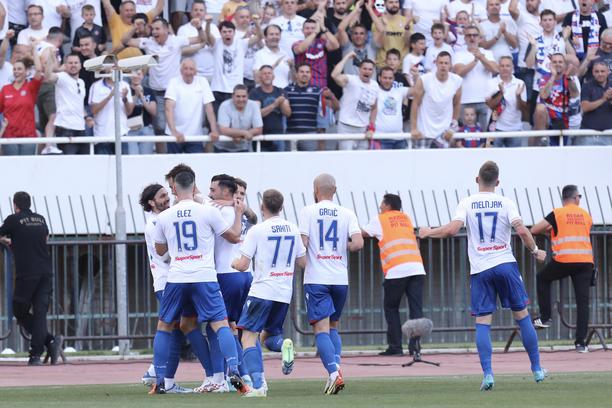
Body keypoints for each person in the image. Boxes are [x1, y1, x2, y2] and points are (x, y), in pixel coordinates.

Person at [419, 160, 547, 391]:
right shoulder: (506, 202)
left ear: (477, 179)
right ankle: (537, 368)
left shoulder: (467, 202)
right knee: (523, 316)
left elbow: (451, 230)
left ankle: (488, 374)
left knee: (483, 323)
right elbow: (521, 230)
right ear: (498, 182)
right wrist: (535, 251)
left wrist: (428, 232)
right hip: (506, 265)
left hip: (481, 270)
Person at [151, 170, 249, 394]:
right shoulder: (208, 211)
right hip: (204, 275)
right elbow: (234, 236)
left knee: (165, 326)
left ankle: (159, 379)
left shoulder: (165, 216)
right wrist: (237, 213)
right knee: (220, 324)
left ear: (174, 188)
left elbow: (160, 250)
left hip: (177, 277)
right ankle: (232, 369)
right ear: (194, 186)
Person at [233, 189, 307, 397]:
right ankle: (284, 345)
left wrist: (233, 262)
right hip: (284, 293)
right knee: (268, 337)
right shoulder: (293, 229)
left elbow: (242, 264)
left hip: (262, 290)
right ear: (281, 207)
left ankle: (258, 386)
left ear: (262, 206)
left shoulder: (257, 230)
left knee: (247, 338)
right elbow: (302, 262)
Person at [298, 173, 364, 395]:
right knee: (334, 326)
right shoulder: (347, 213)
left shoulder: (308, 211)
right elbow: (357, 244)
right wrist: (337, 248)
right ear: (334, 190)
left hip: (317, 278)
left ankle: (334, 374)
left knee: (321, 329)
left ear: (315, 189)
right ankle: (336, 372)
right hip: (339, 278)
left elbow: (303, 243)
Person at [138, 184, 197, 393]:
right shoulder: (154, 223)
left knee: (178, 328)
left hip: (172, 280)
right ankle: (160, 377)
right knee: (173, 328)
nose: (167, 198)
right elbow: (163, 255)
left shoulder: (164, 218)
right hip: (166, 281)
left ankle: (158, 375)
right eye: (162, 196)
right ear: (151, 203)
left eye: (166, 194)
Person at [122, 16, 209, 151]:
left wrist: (198, 27)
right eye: (152, 29)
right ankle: (163, 158)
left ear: (166, 29)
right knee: (160, 128)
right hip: (156, 92)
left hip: (175, 92)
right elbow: (125, 41)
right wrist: (135, 27)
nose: (154, 32)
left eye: (157, 28)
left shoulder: (176, 41)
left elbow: (202, 39)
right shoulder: (148, 42)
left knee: (177, 124)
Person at [531, 185, 594, 353]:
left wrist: (550, 233)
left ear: (564, 198)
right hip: (586, 262)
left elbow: (534, 230)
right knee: (583, 303)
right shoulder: (586, 215)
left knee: (542, 278)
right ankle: (581, 343)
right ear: (575, 198)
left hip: (564, 260)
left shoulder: (557, 213)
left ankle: (545, 318)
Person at [0, 192, 60, 366]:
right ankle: (38, 353)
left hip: (27, 273)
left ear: (15, 204)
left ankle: (47, 340)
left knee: (19, 309)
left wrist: (7, 241)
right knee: (40, 313)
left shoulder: (14, 219)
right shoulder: (40, 219)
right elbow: (44, 237)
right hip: (46, 271)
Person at [362, 194, 425, 356]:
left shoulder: (381, 219)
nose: (380, 207)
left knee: (391, 308)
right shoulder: (406, 218)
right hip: (417, 268)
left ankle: (396, 347)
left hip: (397, 270)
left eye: (382, 204)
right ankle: (415, 347)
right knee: (416, 310)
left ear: (388, 205)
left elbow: (363, 233)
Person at [165, 59, 218, 154]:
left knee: (197, 166)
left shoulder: (202, 81)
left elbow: (209, 108)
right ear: (181, 71)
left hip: (195, 135)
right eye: (185, 69)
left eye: (191, 69)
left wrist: (214, 130)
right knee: (173, 167)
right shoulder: (173, 82)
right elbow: (169, 108)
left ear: (196, 71)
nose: (188, 72)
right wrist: (174, 132)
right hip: (174, 135)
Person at [411, 51, 463, 148]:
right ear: (436, 63)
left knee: (443, 163)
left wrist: (452, 128)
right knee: (421, 162)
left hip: (444, 133)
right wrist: (414, 128)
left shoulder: (457, 81)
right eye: (441, 63)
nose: (443, 66)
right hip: (424, 131)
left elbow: (456, 104)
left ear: (450, 65)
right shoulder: (424, 79)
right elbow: (415, 103)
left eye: (446, 63)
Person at [208, 20, 263, 111]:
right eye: (224, 32)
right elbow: (207, 36)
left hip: (235, 90)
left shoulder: (241, 43)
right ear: (220, 33)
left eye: (230, 32)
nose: (227, 34)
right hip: (217, 89)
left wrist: (257, 23)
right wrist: (208, 24)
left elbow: (260, 36)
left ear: (234, 32)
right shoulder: (216, 43)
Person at [453, 24, 499, 132]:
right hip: (465, 101)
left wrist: (481, 57)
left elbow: (495, 70)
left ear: (479, 38)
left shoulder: (487, 53)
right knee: (465, 137)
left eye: (474, 35)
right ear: (464, 38)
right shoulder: (459, 54)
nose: (472, 38)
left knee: (485, 137)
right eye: (469, 35)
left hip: (485, 101)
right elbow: (459, 72)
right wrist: (475, 60)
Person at [331, 52, 379, 150]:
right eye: (364, 68)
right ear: (359, 69)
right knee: (346, 160)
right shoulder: (351, 80)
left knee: (361, 160)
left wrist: (371, 127)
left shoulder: (375, 85)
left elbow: (374, 108)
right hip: (346, 126)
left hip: (363, 129)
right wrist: (347, 57)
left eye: (370, 69)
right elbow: (334, 75)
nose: (367, 71)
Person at [284, 63, 338, 151]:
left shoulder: (318, 91)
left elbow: (336, 107)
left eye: (307, 72)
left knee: (309, 163)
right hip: (290, 134)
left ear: (310, 74)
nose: (304, 74)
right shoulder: (287, 90)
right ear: (296, 74)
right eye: (301, 72)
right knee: (290, 162)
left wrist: (332, 96)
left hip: (310, 134)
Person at [44, 53, 87, 155]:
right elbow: (48, 76)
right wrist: (50, 58)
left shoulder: (81, 82)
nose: (73, 65)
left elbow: (78, 104)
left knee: (85, 164)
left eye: (76, 63)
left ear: (80, 65)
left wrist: (87, 117)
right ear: (65, 65)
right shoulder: (62, 77)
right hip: (65, 128)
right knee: (68, 164)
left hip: (81, 128)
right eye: (70, 63)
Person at [0, 55, 43, 156]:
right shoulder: (5, 89)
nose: (16, 71)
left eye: (19, 69)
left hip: (28, 136)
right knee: (12, 169)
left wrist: (34, 49)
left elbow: (39, 70)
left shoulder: (31, 87)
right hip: (9, 137)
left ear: (26, 72)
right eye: (14, 69)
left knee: (27, 169)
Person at [88, 68, 135, 154]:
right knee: (102, 167)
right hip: (102, 135)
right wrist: (110, 96)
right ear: (104, 68)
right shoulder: (96, 86)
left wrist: (125, 99)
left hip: (121, 134)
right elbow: (93, 110)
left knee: (123, 166)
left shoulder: (125, 85)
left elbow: (129, 112)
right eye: (108, 66)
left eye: (114, 66)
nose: (111, 70)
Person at [485, 55, 527, 147]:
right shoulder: (491, 83)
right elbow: (490, 105)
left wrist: (518, 96)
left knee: (515, 160)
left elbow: (523, 110)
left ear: (512, 68)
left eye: (507, 66)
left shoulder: (520, 83)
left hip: (515, 128)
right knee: (493, 159)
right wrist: (500, 93)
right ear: (498, 67)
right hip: (495, 128)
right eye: (502, 66)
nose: (505, 68)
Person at [249, 65, 292, 151]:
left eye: (269, 73)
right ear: (260, 77)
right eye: (264, 73)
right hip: (260, 136)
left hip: (278, 136)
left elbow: (288, 113)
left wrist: (282, 104)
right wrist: (275, 104)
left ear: (273, 76)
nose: (267, 75)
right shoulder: (254, 93)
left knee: (280, 163)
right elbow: (256, 115)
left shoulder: (280, 91)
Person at [178, 0, 222, 83]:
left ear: (205, 12)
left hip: (211, 73)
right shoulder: (183, 29)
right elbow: (182, 51)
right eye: (195, 10)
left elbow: (215, 45)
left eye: (201, 10)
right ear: (191, 12)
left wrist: (203, 28)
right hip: (191, 74)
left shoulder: (213, 27)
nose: (198, 12)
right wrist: (201, 45)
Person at [292, 14, 340, 89]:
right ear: (302, 31)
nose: (310, 30)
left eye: (313, 28)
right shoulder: (297, 43)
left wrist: (324, 28)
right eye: (307, 28)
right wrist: (315, 33)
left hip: (321, 86)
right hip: (303, 86)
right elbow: (300, 49)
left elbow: (336, 45)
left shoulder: (322, 42)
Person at [216, 84, 264, 153]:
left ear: (248, 96)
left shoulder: (254, 105)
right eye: (238, 96)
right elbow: (223, 130)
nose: (241, 99)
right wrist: (244, 133)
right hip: (222, 148)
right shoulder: (224, 105)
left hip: (244, 148)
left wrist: (238, 135)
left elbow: (259, 129)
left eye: (244, 96)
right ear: (232, 96)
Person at [373, 67, 410, 149]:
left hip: (399, 139)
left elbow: (418, 91)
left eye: (390, 78)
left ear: (394, 79)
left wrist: (414, 78)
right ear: (379, 78)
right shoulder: (374, 90)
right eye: (385, 78)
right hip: (381, 139)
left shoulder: (399, 91)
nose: (387, 80)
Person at [577, 61, 612, 145]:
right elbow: (584, 107)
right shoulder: (586, 86)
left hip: (609, 134)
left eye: (602, 71)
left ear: (608, 72)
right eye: (597, 71)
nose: (600, 74)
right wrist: (603, 99)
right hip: (588, 134)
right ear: (593, 72)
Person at [370, 0, 410, 68]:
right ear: (385, 4)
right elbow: (378, 45)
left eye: (396, 2)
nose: (394, 4)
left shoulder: (407, 21)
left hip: (402, 66)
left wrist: (407, 29)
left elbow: (409, 43)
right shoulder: (378, 21)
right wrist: (383, 28)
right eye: (391, 2)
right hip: (383, 65)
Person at [126, 68, 156, 155]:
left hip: (146, 128)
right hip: (130, 129)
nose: (136, 77)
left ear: (143, 76)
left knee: (146, 160)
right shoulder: (126, 90)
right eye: (134, 74)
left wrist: (142, 96)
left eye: (139, 74)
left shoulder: (148, 91)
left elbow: (153, 112)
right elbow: (128, 111)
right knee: (132, 159)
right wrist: (135, 95)